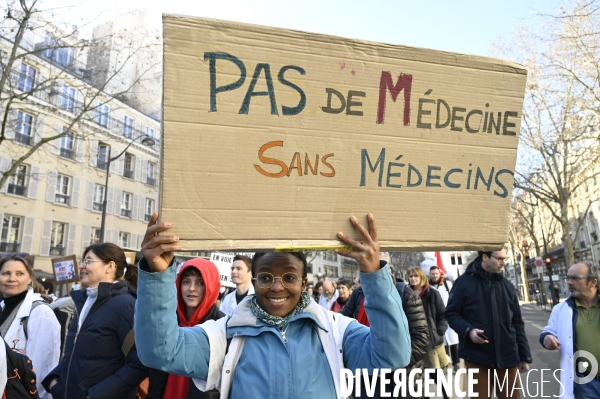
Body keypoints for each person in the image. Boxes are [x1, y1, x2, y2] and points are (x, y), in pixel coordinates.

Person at [135, 212, 411, 398]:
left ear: (304, 284)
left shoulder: (336, 331)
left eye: (289, 277)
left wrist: (374, 274)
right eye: (266, 277)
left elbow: (391, 357)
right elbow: (160, 352)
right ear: (255, 282)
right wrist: (158, 274)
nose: (277, 286)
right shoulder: (225, 336)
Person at [42, 243, 149, 399]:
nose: (82, 266)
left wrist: (94, 395)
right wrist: (54, 381)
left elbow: (139, 364)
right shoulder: (83, 301)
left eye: (89, 261)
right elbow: (76, 354)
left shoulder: (126, 305)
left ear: (110, 266)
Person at [445, 249, 532, 399]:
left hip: (507, 356)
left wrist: (524, 356)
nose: (503, 263)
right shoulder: (464, 283)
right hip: (476, 356)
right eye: (499, 259)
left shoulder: (507, 286)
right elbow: (451, 314)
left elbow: (517, 323)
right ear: (485, 257)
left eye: (505, 258)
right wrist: (469, 331)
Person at [340, 267, 429, 398]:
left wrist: (390, 362)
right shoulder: (358, 293)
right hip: (366, 376)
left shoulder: (407, 295)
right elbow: (341, 322)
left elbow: (421, 340)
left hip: (401, 376)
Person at [148, 258, 224, 399]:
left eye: (200, 282)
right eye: (186, 281)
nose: (192, 288)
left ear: (211, 286)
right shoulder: (167, 320)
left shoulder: (222, 326)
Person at [0, 254, 61, 399]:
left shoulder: (40, 312)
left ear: (30, 278)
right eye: (5, 273)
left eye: (19, 273)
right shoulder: (2, 308)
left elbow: (41, 369)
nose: (11, 279)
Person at [540, 261, 600, 399]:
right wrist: (547, 337)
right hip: (586, 382)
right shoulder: (560, 309)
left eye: (576, 278)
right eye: (568, 278)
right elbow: (548, 332)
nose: (569, 282)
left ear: (593, 282)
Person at [407, 266, 449, 399]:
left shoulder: (432, 293)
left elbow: (443, 314)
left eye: (416, 276)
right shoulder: (406, 294)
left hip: (431, 340)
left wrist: (439, 331)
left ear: (422, 277)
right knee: (418, 373)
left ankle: (447, 395)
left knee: (436, 372)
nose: (413, 279)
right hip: (413, 339)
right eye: (411, 276)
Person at [428, 264, 460, 371]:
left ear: (439, 273)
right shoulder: (428, 286)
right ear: (430, 274)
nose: (435, 275)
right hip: (437, 317)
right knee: (442, 342)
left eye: (436, 273)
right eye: (433, 274)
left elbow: (455, 297)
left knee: (453, 340)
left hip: (449, 315)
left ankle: (456, 363)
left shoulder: (446, 283)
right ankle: (444, 364)